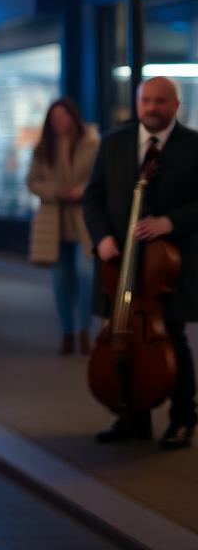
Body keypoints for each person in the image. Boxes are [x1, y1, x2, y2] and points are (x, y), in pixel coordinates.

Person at [84, 77, 198, 449]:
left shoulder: (193, 146)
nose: (152, 107)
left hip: (169, 265)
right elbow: (93, 197)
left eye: (161, 101)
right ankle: (132, 417)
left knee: (172, 341)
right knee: (123, 336)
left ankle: (183, 419)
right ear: (137, 103)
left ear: (175, 106)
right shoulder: (113, 143)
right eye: (146, 100)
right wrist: (101, 238)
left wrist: (171, 221)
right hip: (120, 264)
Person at [25, 98, 100, 356]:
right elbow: (32, 181)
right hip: (54, 218)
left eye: (63, 116)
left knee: (85, 273)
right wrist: (55, 191)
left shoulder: (92, 143)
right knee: (60, 278)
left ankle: (84, 331)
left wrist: (82, 190)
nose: (60, 122)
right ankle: (67, 332)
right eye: (55, 118)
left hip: (82, 217)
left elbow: (101, 178)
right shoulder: (44, 147)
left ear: (73, 117)